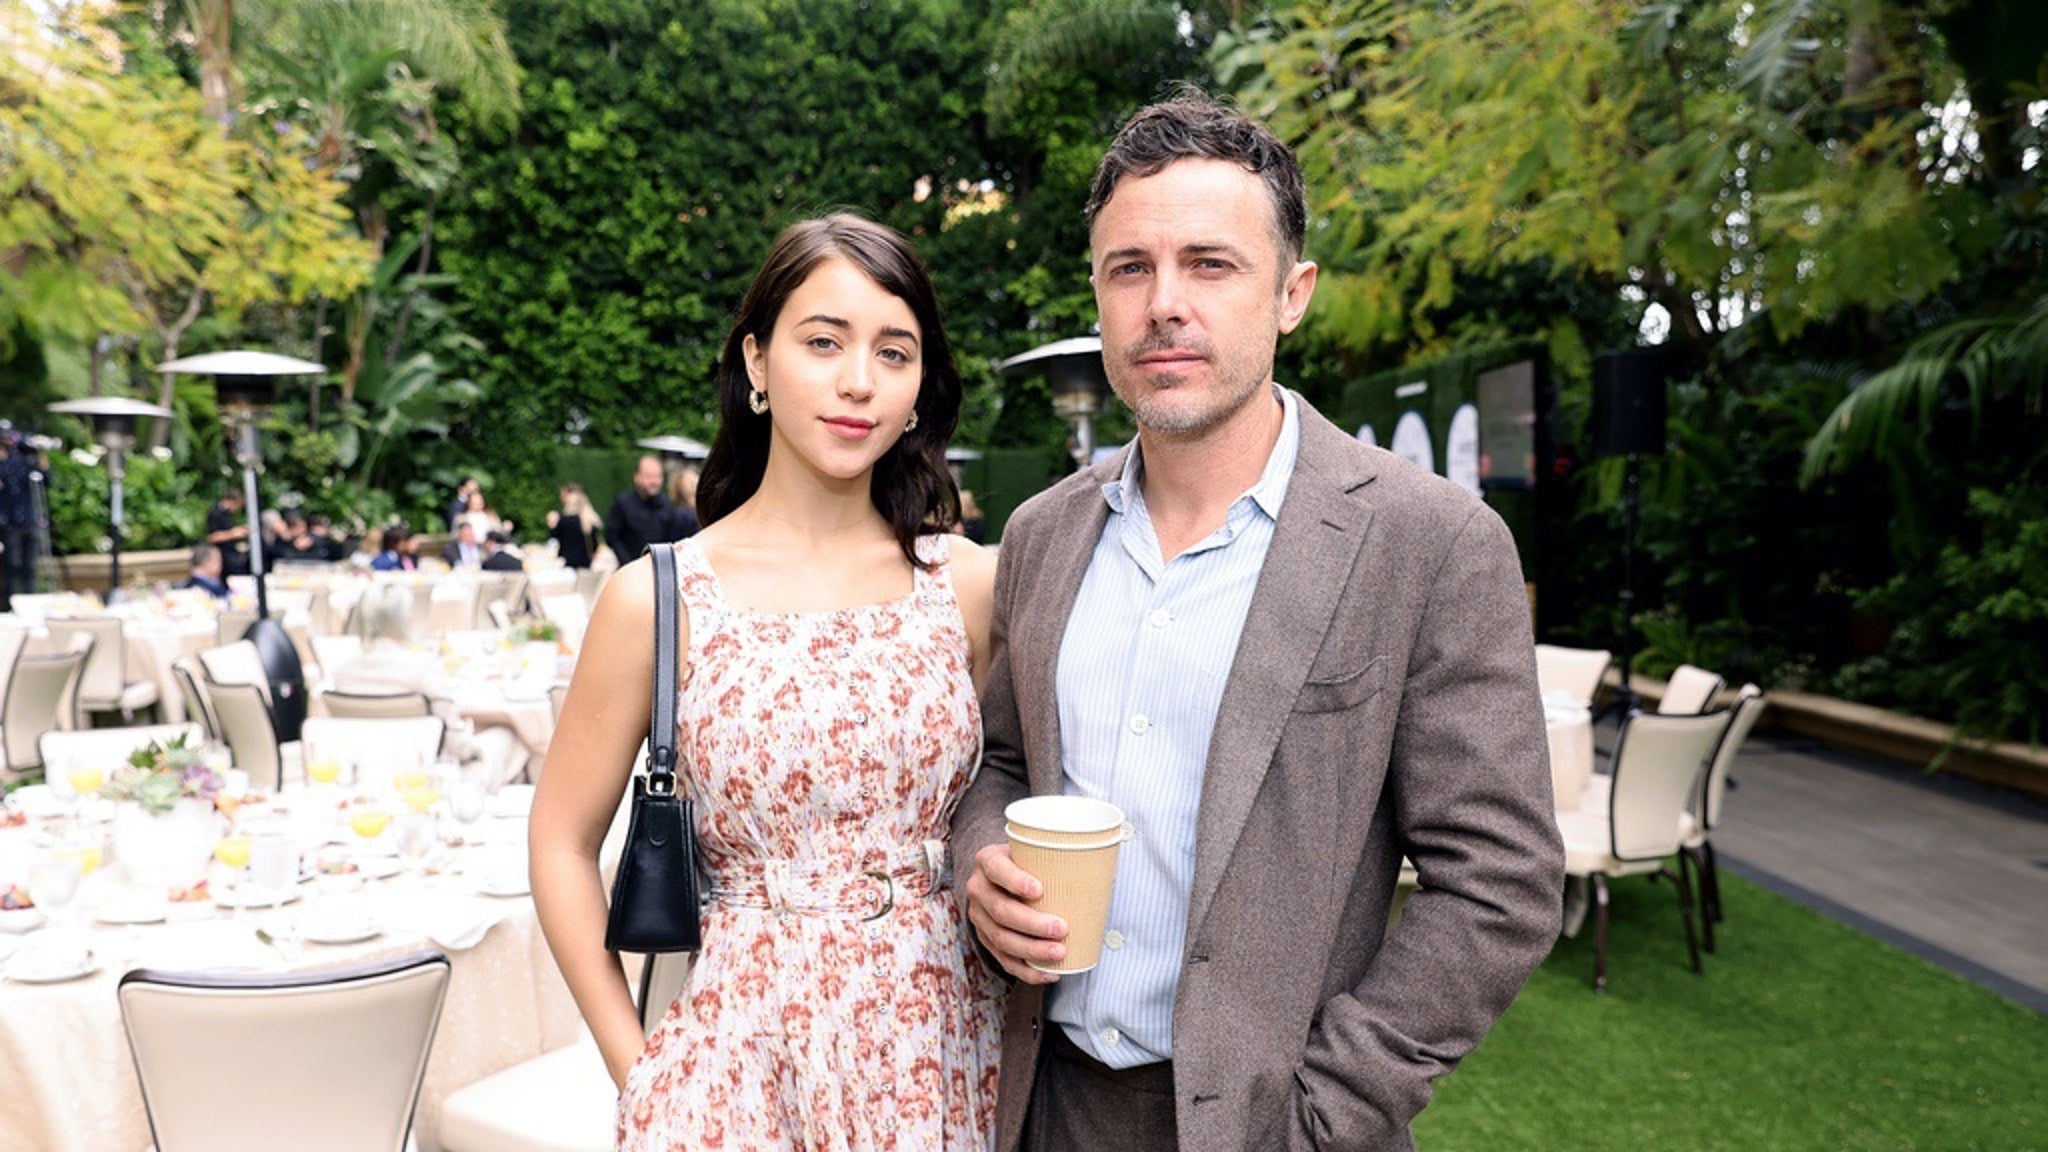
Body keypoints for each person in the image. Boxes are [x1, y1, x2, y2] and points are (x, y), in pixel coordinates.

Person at [952, 90, 1564, 1152]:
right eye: (1129, 269)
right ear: (1097, 293)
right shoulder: (1044, 535)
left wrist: (1325, 1110)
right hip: (1036, 1103)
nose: (1162, 305)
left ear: (1291, 293)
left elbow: (1499, 882)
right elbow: (1000, 764)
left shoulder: (1427, 542)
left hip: (1266, 1120)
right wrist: (979, 865)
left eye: (1209, 263)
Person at [530, 213, 1002, 1149]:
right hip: (740, 1073)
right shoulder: (659, 598)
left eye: (893, 352)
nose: (858, 380)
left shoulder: (970, 584)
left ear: (918, 389)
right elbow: (558, 839)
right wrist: (645, 1073)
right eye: (823, 341)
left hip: (949, 1055)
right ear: (756, 361)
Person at [331, 583, 529, 786]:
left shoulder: (341, 673)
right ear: (402, 620)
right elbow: (456, 745)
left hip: (365, 773)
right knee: (515, 737)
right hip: (426, 777)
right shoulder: (422, 667)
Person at [604, 455, 695, 562]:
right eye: (649, 476)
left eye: (658, 476)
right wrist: (627, 562)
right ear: (637, 477)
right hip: (631, 568)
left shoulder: (668, 506)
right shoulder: (623, 504)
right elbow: (612, 536)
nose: (654, 482)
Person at [0, 430, 45, 610]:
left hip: (30, 520)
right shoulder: (6, 466)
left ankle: (31, 603)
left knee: (30, 567)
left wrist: (40, 458)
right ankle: (13, 604)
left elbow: (46, 481)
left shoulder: (29, 466)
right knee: (13, 565)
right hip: (11, 522)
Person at [545, 482, 602, 569]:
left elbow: (553, 540)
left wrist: (552, 525)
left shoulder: (563, 521)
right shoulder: (590, 519)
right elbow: (595, 545)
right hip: (586, 566)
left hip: (568, 566)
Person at [204, 489, 252, 577]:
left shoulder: (228, 515)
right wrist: (232, 534)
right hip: (223, 555)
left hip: (231, 552)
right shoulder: (215, 514)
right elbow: (212, 537)